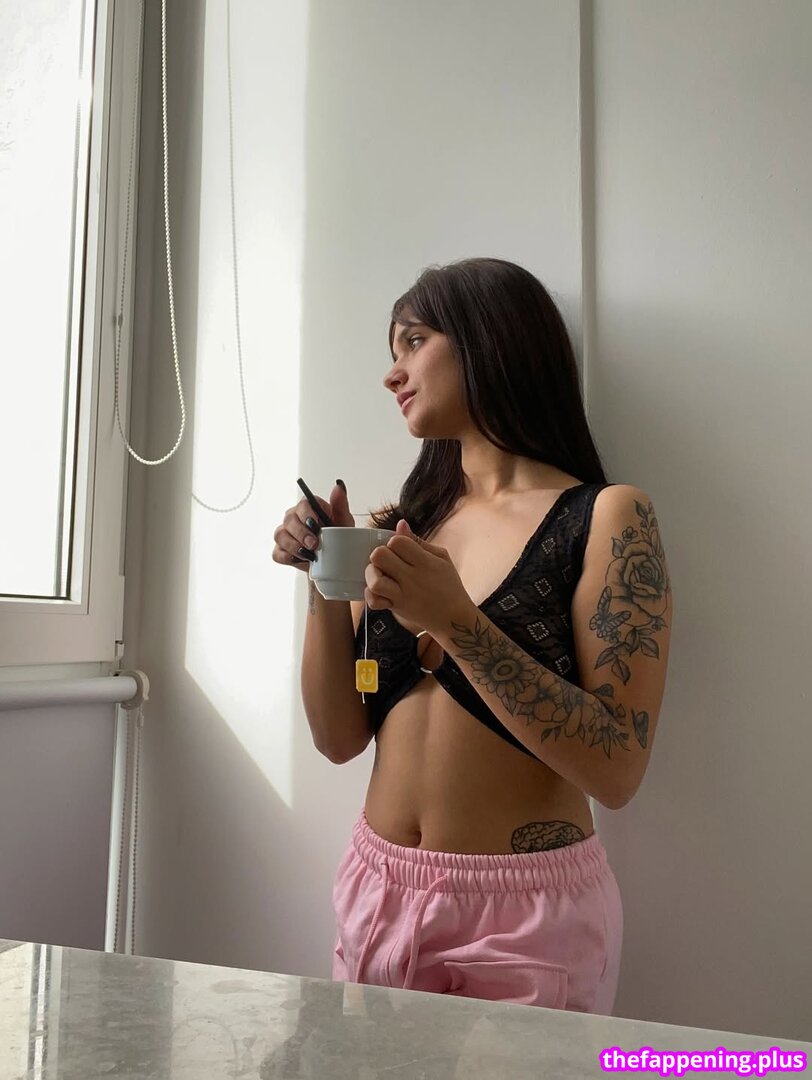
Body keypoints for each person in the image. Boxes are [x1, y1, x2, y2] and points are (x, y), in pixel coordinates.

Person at [272, 257, 672, 1014]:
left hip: (525, 918)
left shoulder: (607, 517)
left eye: (414, 341)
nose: (392, 374)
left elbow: (618, 770)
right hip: (378, 889)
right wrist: (323, 579)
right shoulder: (400, 529)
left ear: (491, 338)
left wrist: (455, 621)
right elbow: (338, 737)